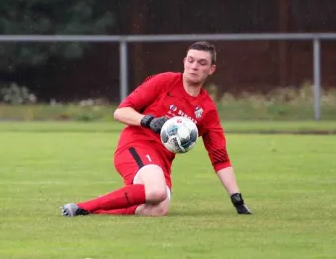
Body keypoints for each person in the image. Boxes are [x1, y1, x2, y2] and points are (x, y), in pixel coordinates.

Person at [61, 41, 252, 217]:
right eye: (191, 60)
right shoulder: (164, 82)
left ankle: (95, 212)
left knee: (158, 209)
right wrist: (148, 121)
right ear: (184, 61)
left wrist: (237, 199)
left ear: (211, 69)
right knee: (156, 191)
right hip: (135, 145)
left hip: (161, 162)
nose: (194, 66)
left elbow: (220, 159)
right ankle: (83, 207)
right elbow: (120, 112)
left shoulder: (207, 110)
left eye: (202, 63)